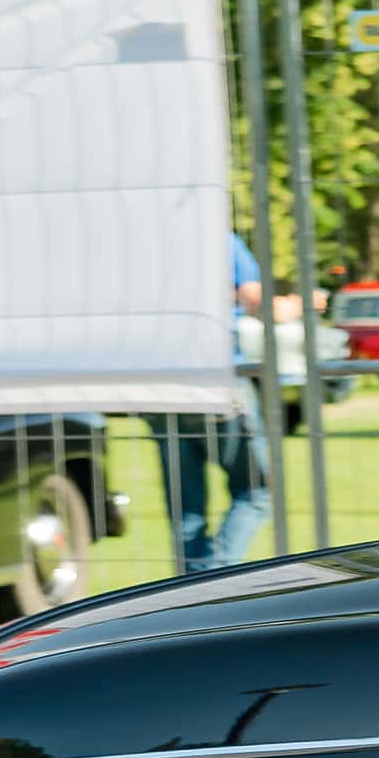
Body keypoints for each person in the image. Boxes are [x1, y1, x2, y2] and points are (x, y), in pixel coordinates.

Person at [162, 233, 277, 572]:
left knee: (186, 507)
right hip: (217, 381)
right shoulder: (216, 236)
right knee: (257, 491)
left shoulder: (145, 240)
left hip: (160, 387)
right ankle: (216, 575)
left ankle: (188, 590)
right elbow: (255, 299)